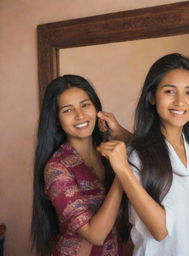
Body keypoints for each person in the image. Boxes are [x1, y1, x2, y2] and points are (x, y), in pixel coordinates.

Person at [97, 53, 189, 256]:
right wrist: (123, 168)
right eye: (169, 91)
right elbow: (160, 231)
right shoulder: (136, 157)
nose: (180, 101)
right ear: (151, 97)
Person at [31, 75, 131, 256]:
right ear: (56, 119)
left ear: (96, 109)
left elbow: (151, 157)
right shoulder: (56, 168)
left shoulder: (110, 152)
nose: (80, 115)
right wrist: (122, 173)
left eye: (85, 105)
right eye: (68, 110)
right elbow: (95, 234)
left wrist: (120, 132)